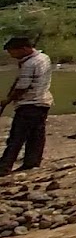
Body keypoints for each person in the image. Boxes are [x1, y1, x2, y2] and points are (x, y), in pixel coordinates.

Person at [1, 37, 53, 174]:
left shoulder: (29, 63)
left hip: (30, 103)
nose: (12, 56)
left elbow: (22, 86)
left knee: (16, 137)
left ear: (24, 49)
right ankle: (32, 162)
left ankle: (4, 166)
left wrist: (8, 100)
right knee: (36, 135)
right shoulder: (44, 58)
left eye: (13, 52)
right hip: (43, 101)